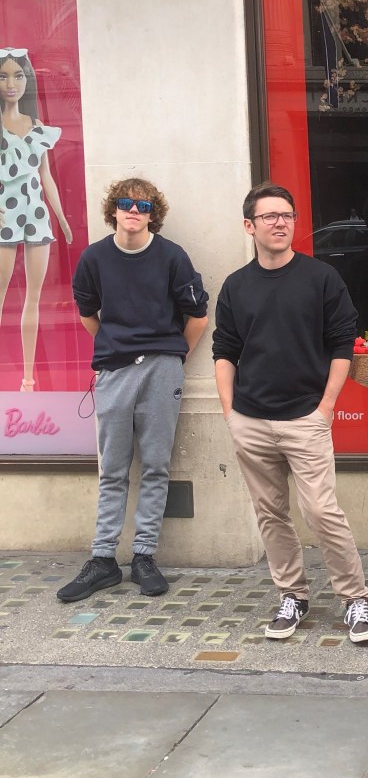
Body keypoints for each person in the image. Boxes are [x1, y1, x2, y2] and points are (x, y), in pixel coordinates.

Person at [213, 181, 368, 644]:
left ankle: (356, 599)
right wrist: (230, 412)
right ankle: (293, 595)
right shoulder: (236, 286)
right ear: (250, 226)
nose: (280, 223)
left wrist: (325, 408)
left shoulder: (320, 278)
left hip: (306, 417)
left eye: (286, 215)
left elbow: (343, 344)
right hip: (251, 419)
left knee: (322, 511)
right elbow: (224, 349)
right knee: (270, 514)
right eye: (269, 216)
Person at [59, 178, 209, 602]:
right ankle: (103, 560)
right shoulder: (94, 258)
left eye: (143, 206)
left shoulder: (171, 256)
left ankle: (144, 556)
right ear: (113, 209)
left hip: (162, 368)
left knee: (156, 466)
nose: (133, 211)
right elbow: (88, 313)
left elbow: (198, 315)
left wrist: (174, 356)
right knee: (113, 469)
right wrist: (114, 346)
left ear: (152, 214)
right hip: (115, 370)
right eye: (126, 203)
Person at [0, 48, 73, 391]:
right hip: (5, 214)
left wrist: (61, 217)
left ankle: (28, 380)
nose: (11, 84)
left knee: (34, 297)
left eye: (18, 75)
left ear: (27, 80)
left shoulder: (38, 127)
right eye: (3, 76)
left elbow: (46, 176)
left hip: (36, 213)